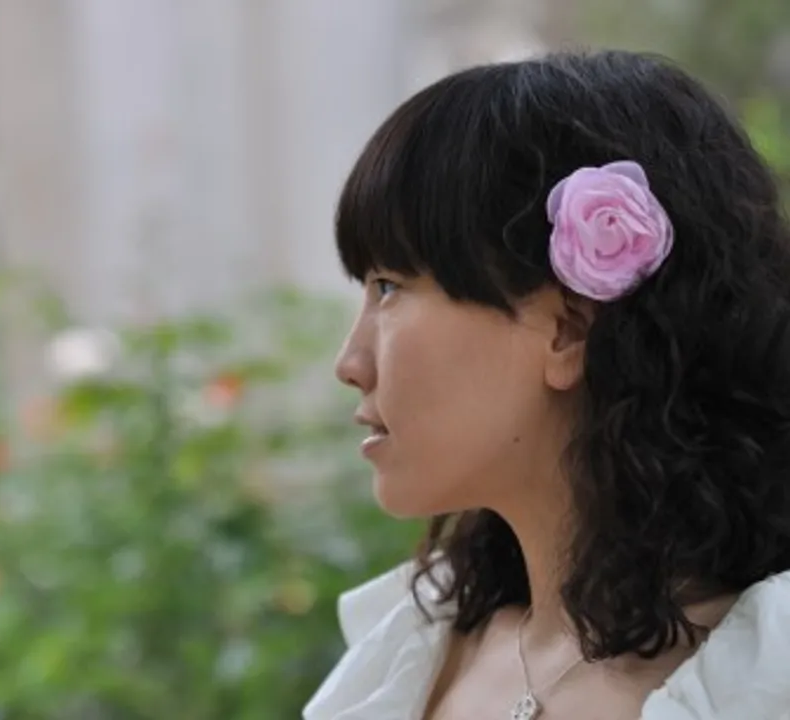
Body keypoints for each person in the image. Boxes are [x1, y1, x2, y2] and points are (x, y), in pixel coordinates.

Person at [304, 50, 790, 720]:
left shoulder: (761, 679)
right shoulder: (407, 656)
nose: (350, 362)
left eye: (390, 286)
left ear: (568, 329)